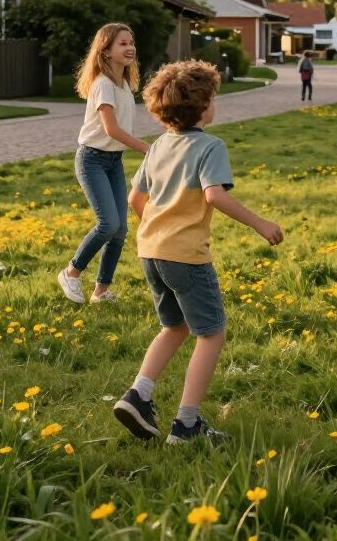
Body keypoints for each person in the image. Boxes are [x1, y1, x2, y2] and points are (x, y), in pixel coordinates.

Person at [113, 59, 283, 445]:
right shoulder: (210, 146)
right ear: (203, 105)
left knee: (174, 326)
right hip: (186, 256)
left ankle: (138, 394)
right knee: (212, 334)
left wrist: (158, 229)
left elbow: (135, 197)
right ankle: (187, 424)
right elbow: (214, 195)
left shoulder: (158, 146)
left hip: (150, 251)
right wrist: (261, 224)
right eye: (213, 98)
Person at [58, 23, 150, 306]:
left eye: (131, 41)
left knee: (120, 228)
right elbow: (111, 130)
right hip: (92, 159)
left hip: (113, 160)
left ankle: (101, 291)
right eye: (122, 43)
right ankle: (71, 273)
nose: (130, 47)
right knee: (108, 223)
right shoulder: (103, 85)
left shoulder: (124, 85)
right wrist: (147, 147)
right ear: (106, 51)